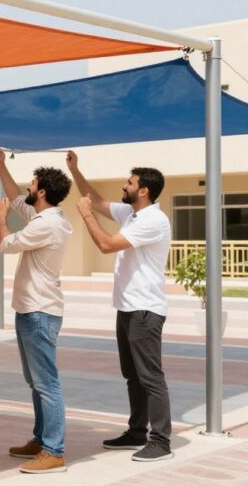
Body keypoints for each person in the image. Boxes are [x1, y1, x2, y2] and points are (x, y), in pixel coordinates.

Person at [68, 151, 174, 462]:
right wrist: (75, 170)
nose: (124, 186)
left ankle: (161, 441)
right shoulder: (132, 214)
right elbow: (98, 200)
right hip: (128, 308)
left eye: (129, 182)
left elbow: (106, 244)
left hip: (145, 310)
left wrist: (86, 215)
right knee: (133, 375)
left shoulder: (152, 219)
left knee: (150, 376)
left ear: (143, 191)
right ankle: (137, 431)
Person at [0, 147, 73, 474]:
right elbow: (16, 198)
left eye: (32, 182)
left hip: (38, 312)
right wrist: (0, 166)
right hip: (33, 310)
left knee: (46, 383)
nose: (27, 185)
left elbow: (6, 244)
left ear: (41, 192)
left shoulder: (45, 225)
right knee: (36, 381)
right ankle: (41, 440)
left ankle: (54, 451)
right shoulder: (48, 216)